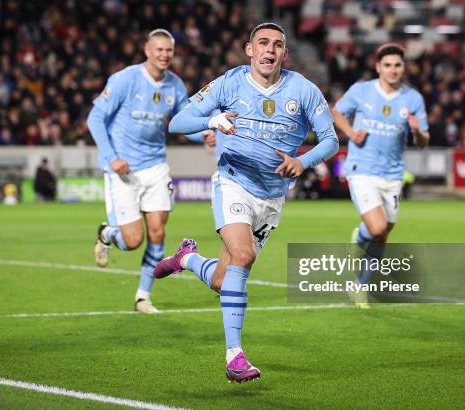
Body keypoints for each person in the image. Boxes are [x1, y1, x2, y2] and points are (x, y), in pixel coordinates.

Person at [153, 23, 339, 383]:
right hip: (233, 182)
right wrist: (212, 119)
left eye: (278, 45)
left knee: (223, 280)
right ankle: (234, 356)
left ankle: (186, 258)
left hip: (271, 197)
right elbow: (178, 122)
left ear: (285, 53)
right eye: (263, 43)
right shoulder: (229, 82)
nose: (270, 50)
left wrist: (303, 161)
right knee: (243, 255)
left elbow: (330, 140)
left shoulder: (303, 90)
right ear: (249, 49)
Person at [87, 29, 215, 314]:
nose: (164, 55)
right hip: (122, 170)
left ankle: (142, 297)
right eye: (158, 50)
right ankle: (107, 234)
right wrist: (111, 158)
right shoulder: (124, 80)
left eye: (168, 50)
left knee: (157, 233)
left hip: (156, 166)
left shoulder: (175, 85)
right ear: (147, 51)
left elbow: (184, 122)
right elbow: (95, 117)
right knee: (133, 241)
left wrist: (205, 132)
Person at [331, 44, 430, 307]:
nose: (393, 70)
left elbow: (422, 141)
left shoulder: (413, 98)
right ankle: (362, 235)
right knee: (376, 228)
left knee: (383, 233)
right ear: (378, 67)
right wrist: (351, 133)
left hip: (393, 174)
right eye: (387, 65)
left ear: (403, 68)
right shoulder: (361, 91)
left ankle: (359, 286)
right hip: (361, 168)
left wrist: (417, 132)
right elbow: (337, 111)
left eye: (397, 65)